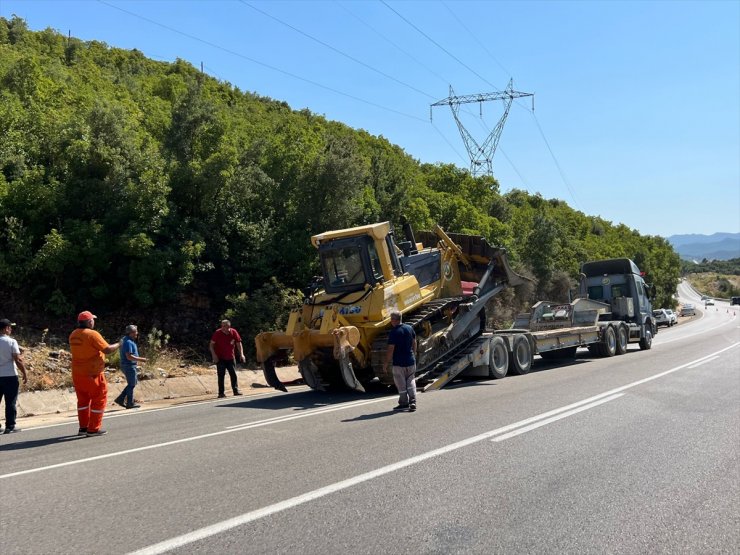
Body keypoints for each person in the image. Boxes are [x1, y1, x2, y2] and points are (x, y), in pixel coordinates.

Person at [69, 311, 119, 437]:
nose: (94, 322)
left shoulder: (73, 334)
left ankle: (83, 428)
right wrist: (120, 343)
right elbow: (107, 350)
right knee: (99, 399)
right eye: (93, 320)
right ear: (90, 321)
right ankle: (93, 429)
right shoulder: (92, 334)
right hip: (93, 374)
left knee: (83, 402)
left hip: (77, 374)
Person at [383, 311, 417, 412]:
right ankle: (413, 401)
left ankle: (404, 403)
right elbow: (414, 342)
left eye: (391, 319)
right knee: (410, 380)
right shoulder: (409, 328)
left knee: (401, 383)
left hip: (399, 363)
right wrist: (413, 354)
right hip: (410, 360)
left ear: (394, 320)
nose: (390, 321)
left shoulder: (394, 332)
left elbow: (390, 349)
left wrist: (385, 363)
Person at [0, 318, 28, 434]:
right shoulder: (11, 342)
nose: (11, 329)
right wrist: (25, 373)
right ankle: (10, 426)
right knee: (10, 401)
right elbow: (17, 360)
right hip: (10, 375)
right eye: (10, 327)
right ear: (6, 329)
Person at [209, 319, 245, 398]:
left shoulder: (233, 332)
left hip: (230, 357)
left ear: (229, 326)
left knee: (233, 374)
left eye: (225, 326)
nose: (223, 328)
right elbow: (211, 345)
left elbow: (239, 343)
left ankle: (236, 390)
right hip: (220, 357)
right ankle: (221, 393)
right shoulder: (217, 333)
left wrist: (242, 354)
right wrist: (214, 355)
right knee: (221, 375)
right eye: (222, 326)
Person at [114, 324, 146, 410]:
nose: (137, 333)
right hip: (129, 365)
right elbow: (129, 357)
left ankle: (121, 399)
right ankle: (129, 403)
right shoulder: (128, 342)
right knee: (132, 384)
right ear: (131, 333)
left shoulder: (126, 340)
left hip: (127, 365)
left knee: (132, 384)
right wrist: (141, 359)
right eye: (136, 331)